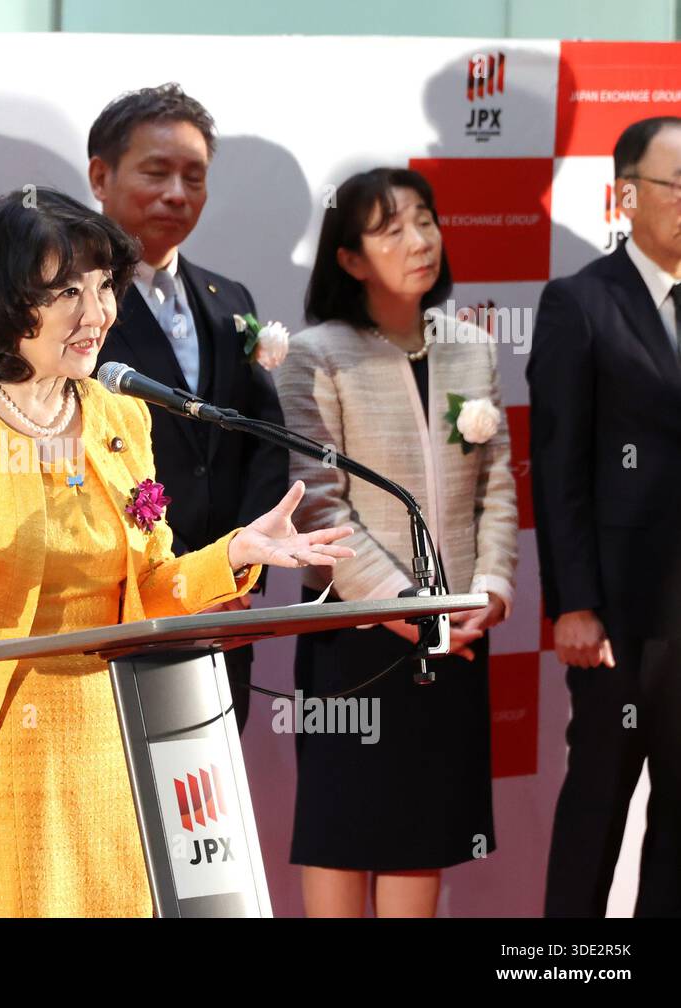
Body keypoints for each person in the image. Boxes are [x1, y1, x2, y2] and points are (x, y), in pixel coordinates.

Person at [0, 187, 353, 917]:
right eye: (68, 292)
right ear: (8, 299)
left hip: (112, 735)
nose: (100, 314)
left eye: (104, 287)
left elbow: (147, 588)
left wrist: (233, 552)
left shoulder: (121, 415)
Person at [275, 167, 517, 917]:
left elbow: (497, 488)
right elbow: (317, 506)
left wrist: (492, 592)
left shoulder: (472, 346)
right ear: (349, 259)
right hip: (354, 632)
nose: (420, 241)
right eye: (391, 229)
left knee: (425, 833)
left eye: (427, 220)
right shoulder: (316, 354)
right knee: (341, 830)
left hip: (457, 636)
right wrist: (405, 607)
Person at [89, 83, 289, 732]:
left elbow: (264, 439)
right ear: (101, 175)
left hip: (223, 609)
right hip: (117, 609)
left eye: (193, 176)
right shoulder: (68, 305)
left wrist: (241, 572)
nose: (177, 193)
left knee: (212, 800)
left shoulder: (228, 298)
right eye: (156, 172)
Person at [530, 116, 681, 918]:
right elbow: (559, 470)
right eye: (677, 184)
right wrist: (574, 603)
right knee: (597, 807)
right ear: (626, 194)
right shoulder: (579, 303)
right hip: (618, 616)